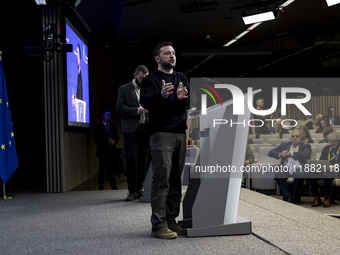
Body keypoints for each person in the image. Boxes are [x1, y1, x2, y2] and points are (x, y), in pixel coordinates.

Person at [140, 42, 189, 239]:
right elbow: (145, 102)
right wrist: (163, 97)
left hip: (180, 133)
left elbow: (185, 102)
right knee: (162, 179)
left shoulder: (181, 78)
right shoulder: (150, 79)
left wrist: (178, 99)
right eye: (167, 53)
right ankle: (158, 224)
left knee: (176, 179)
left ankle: (171, 220)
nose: (172, 56)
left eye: (174, 53)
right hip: (161, 134)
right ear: (157, 58)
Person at [116, 65, 150, 202]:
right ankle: (132, 191)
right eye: (141, 78)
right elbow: (119, 107)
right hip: (131, 130)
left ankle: (140, 188)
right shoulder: (124, 89)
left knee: (143, 160)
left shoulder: (149, 88)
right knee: (131, 159)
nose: (143, 80)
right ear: (135, 76)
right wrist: (137, 110)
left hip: (146, 129)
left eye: (146, 78)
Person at [268, 129, 311, 203]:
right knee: (278, 173)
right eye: (293, 136)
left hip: (298, 169)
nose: (294, 138)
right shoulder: (284, 145)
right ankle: (287, 196)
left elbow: (305, 155)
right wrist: (281, 154)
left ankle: (293, 196)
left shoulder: (306, 146)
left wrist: (291, 154)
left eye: (297, 136)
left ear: (301, 138)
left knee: (300, 174)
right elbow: (270, 152)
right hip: (286, 168)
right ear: (290, 138)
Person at [308, 132, 340, 207]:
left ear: (338, 141)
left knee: (326, 175)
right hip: (325, 169)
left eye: (333, 141)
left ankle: (327, 198)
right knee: (310, 173)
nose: (331, 143)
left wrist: (335, 166)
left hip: (337, 170)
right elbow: (321, 161)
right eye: (330, 141)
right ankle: (316, 197)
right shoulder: (326, 148)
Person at [94, 110, 120, 190]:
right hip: (102, 150)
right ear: (103, 116)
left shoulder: (113, 126)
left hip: (111, 150)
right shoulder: (98, 126)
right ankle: (101, 185)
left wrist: (114, 141)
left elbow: (117, 137)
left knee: (112, 168)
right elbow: (95, 138)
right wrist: (106, 141)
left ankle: (113, 185)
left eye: (109, 115)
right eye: (107, 115)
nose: (109, 116)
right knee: (101, 169)